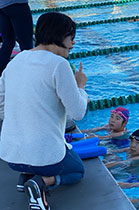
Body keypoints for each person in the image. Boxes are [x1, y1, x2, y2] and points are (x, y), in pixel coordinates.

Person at [0, 12, 88, 210]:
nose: (73, 44)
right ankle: (41, 182)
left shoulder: (16, 61)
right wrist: (80, 86)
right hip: (45, 159)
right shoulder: (59, 65)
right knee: (77, 171)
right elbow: (78, 112)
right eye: (71, 38)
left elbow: (0, 106)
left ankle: (26, 177)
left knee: (37, 153)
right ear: (60, 35)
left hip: (10, 156)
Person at [0, 0, 33, 74]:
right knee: (26, 44)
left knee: (8, 42)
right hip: (17, 4)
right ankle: (30, 73)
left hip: (2, 6)